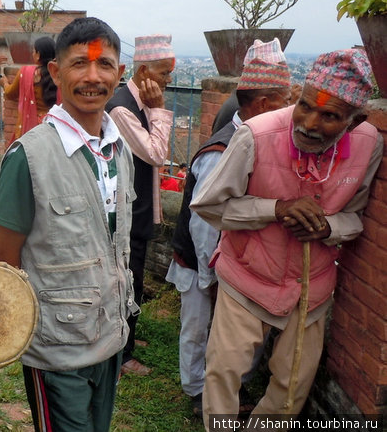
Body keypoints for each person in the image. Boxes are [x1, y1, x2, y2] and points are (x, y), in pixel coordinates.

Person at [190, 48, 383, 429]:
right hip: (247, 278)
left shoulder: (369, 144)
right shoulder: (255, 135)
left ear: (355, 119)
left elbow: (355, 218)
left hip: (312, 288)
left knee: (292, 385)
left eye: (329, 116)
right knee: (223, 374)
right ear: (297, 95)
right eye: (306, 106)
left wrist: (328, 227)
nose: (310, 123)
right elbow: (208, 207)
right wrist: (274, 209)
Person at [0, 17, 137, 432]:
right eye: (79, 65)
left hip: (109, 338)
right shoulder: (29, 157)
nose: (93, 77)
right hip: (56, 348)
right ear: (55, 71)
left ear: (119, 73)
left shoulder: (118, 150)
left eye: (104, 65)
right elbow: (2, 260)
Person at [167, 38, 292, 418]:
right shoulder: (222, 150)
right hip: (202, 262)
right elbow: (206, 223)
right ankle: (195, 392)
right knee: (197, 327)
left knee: (219, 337)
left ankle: (219, 391)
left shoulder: (252, 139)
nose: (289, 111)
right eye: (285, 101)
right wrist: (214, 277)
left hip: (230, 264)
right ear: (265, 104)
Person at [105, 33, 175, 375]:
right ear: (144, 70)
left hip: (139, 209)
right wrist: (160, 111)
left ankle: (128, 339)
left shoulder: (140, 104)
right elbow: (157, 154)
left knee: (133, 275)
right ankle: (121, 354)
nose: (167, 81)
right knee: (126, 278)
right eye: (163, 73)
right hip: (126, 212)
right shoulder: (121, 108)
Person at [0, 35, 58, 144]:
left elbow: (10, 93)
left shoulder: (26, 73)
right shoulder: (59, 75)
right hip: (54, 127)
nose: (32, 54)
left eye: (33, 51)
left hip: (30, 129)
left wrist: (4, 83)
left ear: (39, 55)